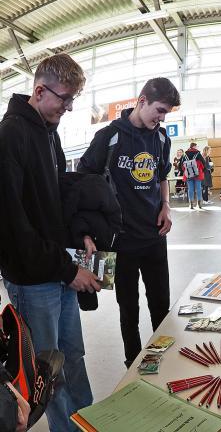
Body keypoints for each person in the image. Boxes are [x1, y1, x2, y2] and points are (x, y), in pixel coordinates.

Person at [0, 53, 100, 431]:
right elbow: (12, 227)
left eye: (73, 100)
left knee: (72, 355)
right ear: (39, 90)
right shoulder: (10, 135)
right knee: (48, 369)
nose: (68, 107)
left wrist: (81, 235)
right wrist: (66, 268)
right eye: (64, 99)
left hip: (59, 271)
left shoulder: (48, 131)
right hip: (33, 278)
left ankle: (89, 423)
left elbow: (59, 197)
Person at [78, 77, 180, 368]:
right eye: (159, 110)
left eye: (166, 114)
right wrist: (85, 231)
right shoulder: (109, 136)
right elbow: (84, 181)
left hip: (155, 236)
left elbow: (161, 175)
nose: (161, 118)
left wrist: (167, 206)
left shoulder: (161, 138)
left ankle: (166, 360)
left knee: (161, 304)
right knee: (129, 308)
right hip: (120, 240)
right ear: (142, 100)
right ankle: (133, 363)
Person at [180, 142, 207, 209]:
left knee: (190, 189)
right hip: (198, 174)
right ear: (194, 147)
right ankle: (199, 203)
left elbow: (181, 165)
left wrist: (185, 171)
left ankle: (191, 203)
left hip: (188, 174)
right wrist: (202, 170)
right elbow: (203, 164)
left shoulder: (185, 154)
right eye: (196, 146)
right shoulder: (198, 154)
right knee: (198, 188)